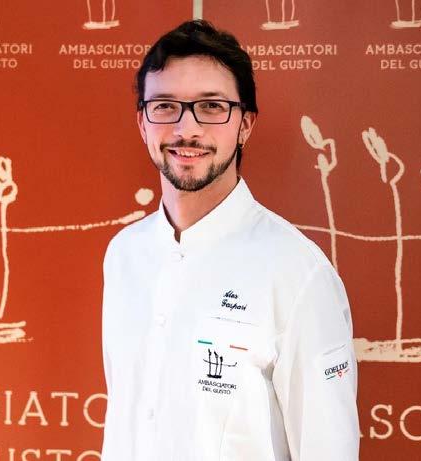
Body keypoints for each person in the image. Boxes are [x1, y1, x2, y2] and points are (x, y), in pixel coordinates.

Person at [101, 19, 359, 460]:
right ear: (142, 122)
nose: (186, 128)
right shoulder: (124, 254)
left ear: (245, 124)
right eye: (165, 106)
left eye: (211, 106)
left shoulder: (297, 271)